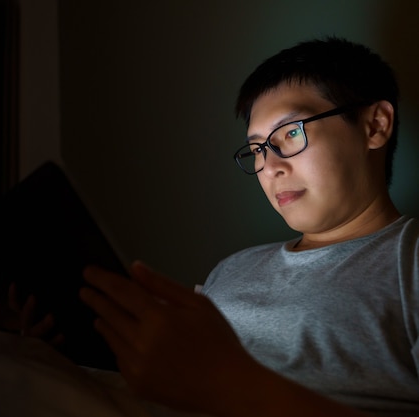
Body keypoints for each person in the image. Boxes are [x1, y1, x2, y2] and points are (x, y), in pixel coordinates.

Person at [76, 37, 418, 417]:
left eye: (290, 133)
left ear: (375, 125)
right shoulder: (232, 268)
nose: (269, 168)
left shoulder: (410, 260)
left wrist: (231, 386)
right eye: (257, 149)